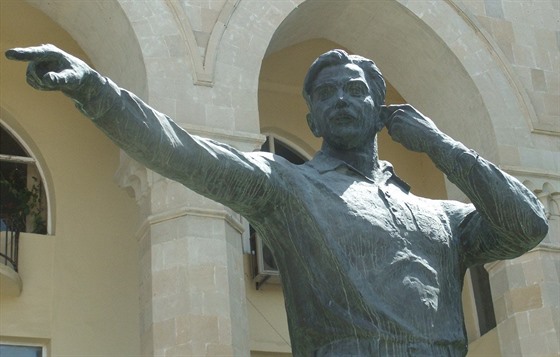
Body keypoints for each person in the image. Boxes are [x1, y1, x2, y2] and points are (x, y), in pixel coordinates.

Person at [6, 45, 548, 356]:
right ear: (309, 117)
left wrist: (437, 144)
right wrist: (94, 90)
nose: (340, 99)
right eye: (324, 93)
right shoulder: (287, 187)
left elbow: (528, 225)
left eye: (355, 89)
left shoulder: (443, 218)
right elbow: (178, 150)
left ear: (382, 110)